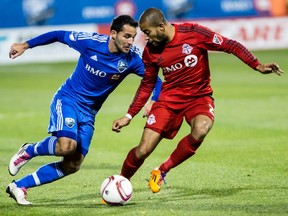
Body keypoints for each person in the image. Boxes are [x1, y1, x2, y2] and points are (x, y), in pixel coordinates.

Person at [112, 8, 283, 193]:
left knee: (201, 129)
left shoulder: (194, 33)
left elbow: (230, 45)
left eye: (147, 32)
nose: (146, 38)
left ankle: (161, 171)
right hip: (169, 100)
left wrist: (257, 64)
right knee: (143, 150)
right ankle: (119, 183)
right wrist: (129, 116)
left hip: (199, 97)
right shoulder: (151, 52)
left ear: (161, 26)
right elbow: (147, 85)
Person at [6, 15, 162, 205]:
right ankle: (30, 150)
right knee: (66, 146)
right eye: (126, 36)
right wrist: (25, 45)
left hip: (89, 113)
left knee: (73, 164)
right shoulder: (90, 42)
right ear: (113, 34)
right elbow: (58, 34)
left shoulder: (133, 58)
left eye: (133, 37)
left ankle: (19, 186)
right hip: (68, 100)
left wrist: (153, 100)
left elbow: (155, 80)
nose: (130, 41)